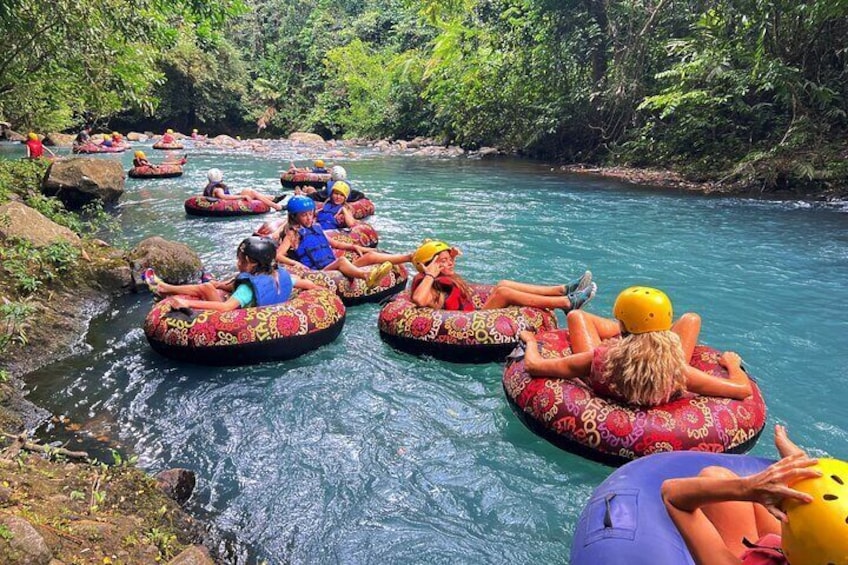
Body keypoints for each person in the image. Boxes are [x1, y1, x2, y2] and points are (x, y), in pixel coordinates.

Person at [518, 286, 753, 406]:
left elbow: (535, 366)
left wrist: (530, 342)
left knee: (577, 316)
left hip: (615, 369)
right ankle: (645, 333)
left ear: (622, 324)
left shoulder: (601, 358)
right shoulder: (677, 371)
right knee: (691, 319)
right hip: (661, 370)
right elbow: (742, 390)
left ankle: (635, 333)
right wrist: (733, 365)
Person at [661, 424, 848, 565]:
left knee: (715, 476)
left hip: (751, 551)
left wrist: (746, 489)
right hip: (793, 550)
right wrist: (800, 468)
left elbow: (672, 495)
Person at [410, 240, 596, 313]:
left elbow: (449, 279)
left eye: (449, 259)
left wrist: (449, 259)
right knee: (504, 293)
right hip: (468, 324)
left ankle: (563, 289)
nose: (449, 262)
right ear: (429, 266)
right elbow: (419, 299)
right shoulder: (429, 284)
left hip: (473, 314)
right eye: (442, 261)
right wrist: (429, 274)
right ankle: (566, 303)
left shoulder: (441, 277)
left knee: (502, 284)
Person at [142, 236, 318, 311]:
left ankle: (164, 288)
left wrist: (187, 303)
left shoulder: (247, 289)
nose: (238, 263)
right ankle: (165, 288)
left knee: (206, 287)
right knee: (212, 286)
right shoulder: (281, 274)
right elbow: (307, 284)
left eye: (241, 260)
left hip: (238, 319)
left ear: (251, 262)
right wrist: (320, 289)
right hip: (261, 310)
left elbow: (226, 308)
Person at [273, 195, 410, 288]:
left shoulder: (317, 227)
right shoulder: (293, 234)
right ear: (294, 217)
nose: (309, 218)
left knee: (370, 256)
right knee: (342, 261)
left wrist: (356, 247)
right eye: (304, 215)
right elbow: (278, 255)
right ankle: (366, 276)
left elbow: (335, 244)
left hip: (332, 267)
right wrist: (295, 263)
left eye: (310, 214)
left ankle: (409, 257)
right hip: (320, 272)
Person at [203, 168, 283, 211]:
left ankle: (272, 198)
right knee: (251, 192)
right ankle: (276, 206)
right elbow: (224, 197)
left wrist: (241, 194)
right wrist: (242, 196)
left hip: (227, 201)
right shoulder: (218, 188)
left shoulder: (210, 187)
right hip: (229, 203)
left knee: (248, 191)